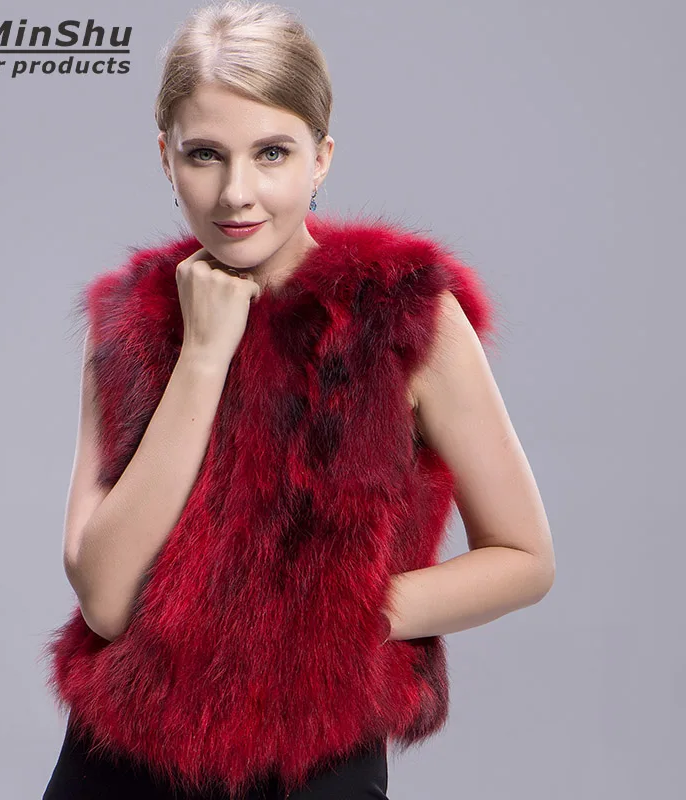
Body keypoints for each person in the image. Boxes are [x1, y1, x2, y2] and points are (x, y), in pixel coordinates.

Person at [41, 2, 555, 798]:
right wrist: (203, 356)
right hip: (120, 761)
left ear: (321, 159)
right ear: (166, 158)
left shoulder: (398, 316)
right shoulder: (130, 319)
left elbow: (524, 558)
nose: (237, 193)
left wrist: (323, 619)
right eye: (205, 155)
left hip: (315, 759)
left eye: (272, 153)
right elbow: (107, 601)